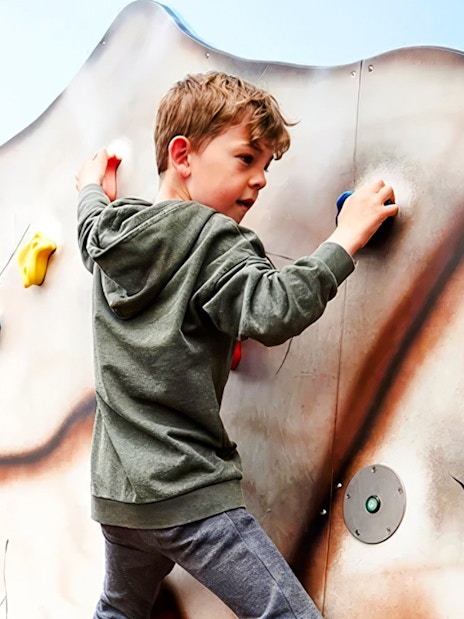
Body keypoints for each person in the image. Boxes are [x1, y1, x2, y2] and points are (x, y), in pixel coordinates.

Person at [76, 71, 397, 619]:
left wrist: (89, 184)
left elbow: (89, 224)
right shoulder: (215, 237)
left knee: (119, 612)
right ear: (184, 156)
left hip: (118, 501)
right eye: (247, 159)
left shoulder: (112, 232)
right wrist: (345, 237)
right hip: (187, 493)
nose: (262, 180)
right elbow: (273, 307)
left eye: (267, 167)